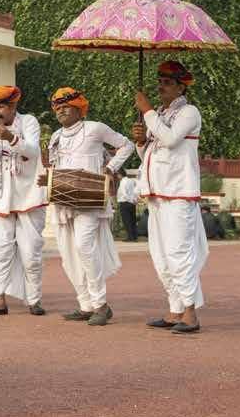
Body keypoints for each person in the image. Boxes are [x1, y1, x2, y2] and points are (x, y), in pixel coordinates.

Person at [42, 87, 134, 326]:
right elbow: (55, 168)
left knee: (84, 246)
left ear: (79, 107)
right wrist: (48, 179)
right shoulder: (55, 137)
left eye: (66, 105)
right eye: (57, 106)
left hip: (90, 199)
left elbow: (126, 145)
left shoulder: (95, 128)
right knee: (68, 254)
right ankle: (85, 305)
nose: (60, 110)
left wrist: (111, 168)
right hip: (63, 200)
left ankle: (101, 305)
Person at [133, 60, 209, 335]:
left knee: (179, 253)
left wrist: (147, 111)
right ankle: (175, 309)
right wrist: (141, 143)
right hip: (157, 194)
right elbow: (152, 156)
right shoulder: (161, 115)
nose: (161, 86)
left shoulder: (189, 112)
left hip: (179, 193)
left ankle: (190, 313)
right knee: (161, 256)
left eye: (167, 82)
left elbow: (171, 140)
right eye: (160, 81)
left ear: (180, 86)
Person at [0, 85, 46, 317]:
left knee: (30, 252)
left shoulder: (28, 122)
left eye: (1, 106)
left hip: (28, 195)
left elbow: (33, 152)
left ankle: (34, 299)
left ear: (13, 105)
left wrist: (11, 138)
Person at [117, 171, 140, 242]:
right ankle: (134, 236)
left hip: (125, 202)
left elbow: (124, 193)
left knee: (127, 220)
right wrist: (134, 200)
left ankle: (130, 237)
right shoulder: (131, 181)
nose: (117, 177)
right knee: (133, 220)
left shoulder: (123, 182)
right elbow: (135, 191)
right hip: (132, 202)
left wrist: (129, 199)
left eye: (117, 175)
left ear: (120, 175)